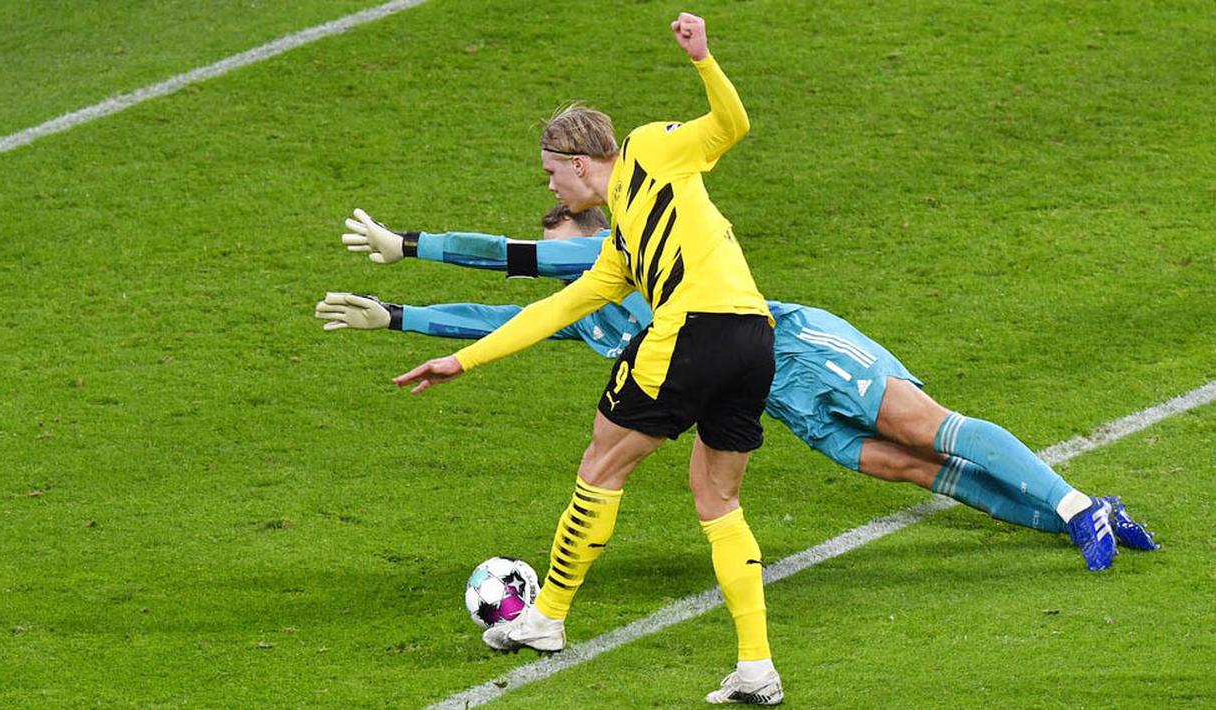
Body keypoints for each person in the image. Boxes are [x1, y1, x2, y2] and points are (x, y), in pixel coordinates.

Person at [318, 205, 1161, 563]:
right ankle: (1086, 521)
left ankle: (1075, 505)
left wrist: (411, 243)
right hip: (768, 396)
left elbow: (510, 258)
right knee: (906, 468)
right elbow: (490, 317)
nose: (553, 216)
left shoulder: (628, 248)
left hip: (797, 343)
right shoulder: (588, 312)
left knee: (925, 426)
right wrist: (399, 318)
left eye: (560, 203)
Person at [385, 14, 784, 704]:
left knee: (600, 465)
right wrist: (465, 360)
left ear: (577, 162)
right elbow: (554, 310)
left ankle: (547, 618)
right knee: (716, 497)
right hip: (754, 340)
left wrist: (702, 60)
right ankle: (756, 666)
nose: (549, 190)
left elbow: (731, 125)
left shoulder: (650, 149)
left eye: (549, 174)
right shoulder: (622, 246)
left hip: (692, 332)